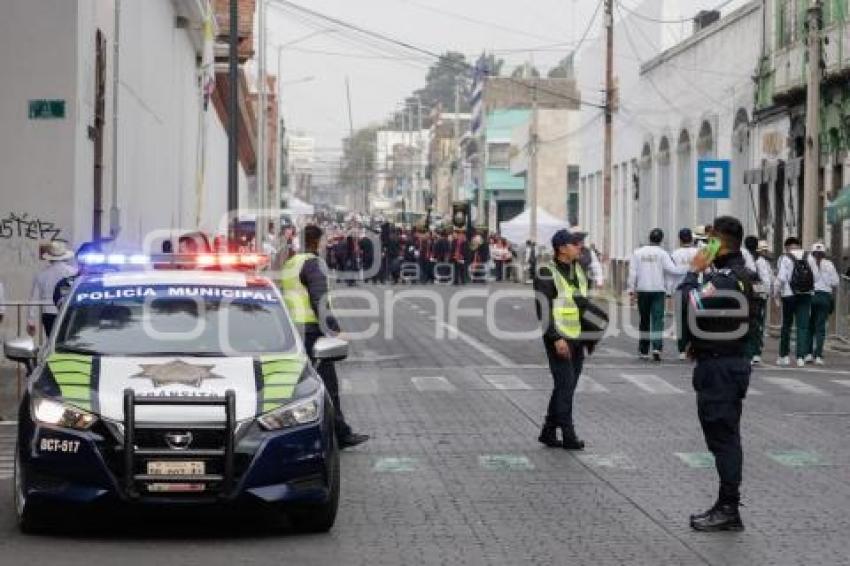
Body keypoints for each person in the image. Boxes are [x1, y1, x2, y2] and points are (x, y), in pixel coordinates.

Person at [678, 216, 753, 532]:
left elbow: (688, 302)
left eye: (709, 240)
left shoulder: (724, 277)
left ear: (720, 243)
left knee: (723, 439)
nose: (704, 246)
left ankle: (728, 508)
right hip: (724, 360)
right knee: (724, 437)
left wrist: (693, 272)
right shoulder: (736, 274)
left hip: (721, 368)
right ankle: (726, 505)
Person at [280, 225, 369, 449]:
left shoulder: (291, 263)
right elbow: (319, 299)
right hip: (311, 331)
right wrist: (334, 329)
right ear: (316, 241)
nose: (325, 244)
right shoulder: (313, 264)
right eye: (323, 240)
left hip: (293, 331)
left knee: (299, 386)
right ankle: (339, 434)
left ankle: (325, 433)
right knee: (328, 385)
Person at [534, 229, 594, 450]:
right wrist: (555, 338)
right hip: (558, 338)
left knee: (565, 386)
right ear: (561, 248)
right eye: (575, 244)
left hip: (577, 336)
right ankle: (568, 435)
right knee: (566, 385)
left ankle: (548, 431)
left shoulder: (578, 269)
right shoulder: (546, 273)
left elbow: (582, 303)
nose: (580, 247)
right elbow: (544, 309)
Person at [627, 228, 687, 361]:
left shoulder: (638, 253)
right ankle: (656, 347)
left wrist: (631, 290)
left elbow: (633, 273)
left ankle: (643, 350)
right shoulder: (663, 254)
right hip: (658, 290)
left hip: (643, 289)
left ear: (649, 238)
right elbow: (672, 270)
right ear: (661, 240)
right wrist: (688, 269)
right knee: (657, 319)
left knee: (644, 320)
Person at [775, 237, 815, 366]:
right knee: (802, 326)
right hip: (806, 294)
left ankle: (784, 356)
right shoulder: (809, 256)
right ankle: (800, 358)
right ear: (799, 246)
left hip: (789, 295)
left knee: (786, 325)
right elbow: (816, 276)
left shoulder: (785, 258)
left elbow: (781, 278)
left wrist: (776, 294)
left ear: (787, 247)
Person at [27, 241, 76, 338]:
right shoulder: (73, 272)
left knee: (52, 342)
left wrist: (31, 321)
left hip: (49, 313)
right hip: (68, 311)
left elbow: (34, 299)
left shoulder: (42, 275)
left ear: (49, 258)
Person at [670, 229, 700, 360]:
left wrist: (669, 291)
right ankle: (693, 348)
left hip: (679, 289)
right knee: (694, 320)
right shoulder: (698, 252)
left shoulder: (675, 254)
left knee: (680, 320)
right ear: (692, 239)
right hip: (696, 289)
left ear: (680, 239)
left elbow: (670, 273)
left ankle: (682, 350)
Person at [808, 242, 839, 365]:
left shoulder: (809, 264)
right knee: (820, 328)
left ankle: (808, 354)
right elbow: (836, 282)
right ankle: (819, 355)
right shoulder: (829, 264)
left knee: (810, 326)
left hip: (811, 295)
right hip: (825, 296)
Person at [743, 238, 773, 364]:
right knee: (758, 323)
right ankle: (756, 352)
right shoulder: (761, 261)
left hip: (745, 294)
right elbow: (766, 279)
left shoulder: (743, 257)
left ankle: (748, 352)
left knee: (746, 323)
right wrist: (766, 294)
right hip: (758, 296)